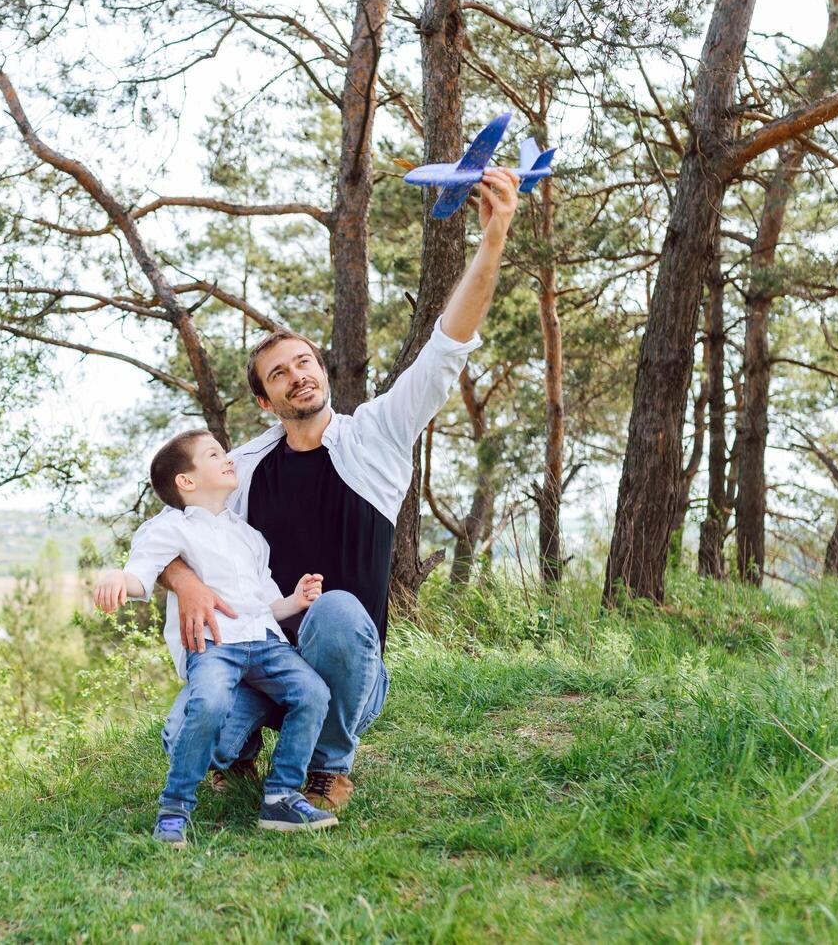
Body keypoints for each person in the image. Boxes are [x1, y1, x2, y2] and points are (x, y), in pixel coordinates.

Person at [144, 167, 523, 812]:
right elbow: (169, 529)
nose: (298, 377)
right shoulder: (242, 468)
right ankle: (236, 750)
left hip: (345, 664)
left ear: (321, 372)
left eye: (305, 363)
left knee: (338, 610)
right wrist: (186, 582)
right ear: (265, 400)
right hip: (265, 663)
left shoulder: (374, 439)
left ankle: (327, 765)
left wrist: (491, 241)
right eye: (279, 374)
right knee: (186, 736)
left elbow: (446, 349)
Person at [94, 429, 338, 846]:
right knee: (207, 704)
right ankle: (174, 807)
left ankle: (281, 794)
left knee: (313, 693)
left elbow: (265, 605)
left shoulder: (249, 537)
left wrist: (296, 600)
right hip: (213, 646)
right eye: (213, 454)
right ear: (186, 481)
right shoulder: (172, 528)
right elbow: (142, 572)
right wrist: (119, 577)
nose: (227, 458)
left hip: (265, 642)